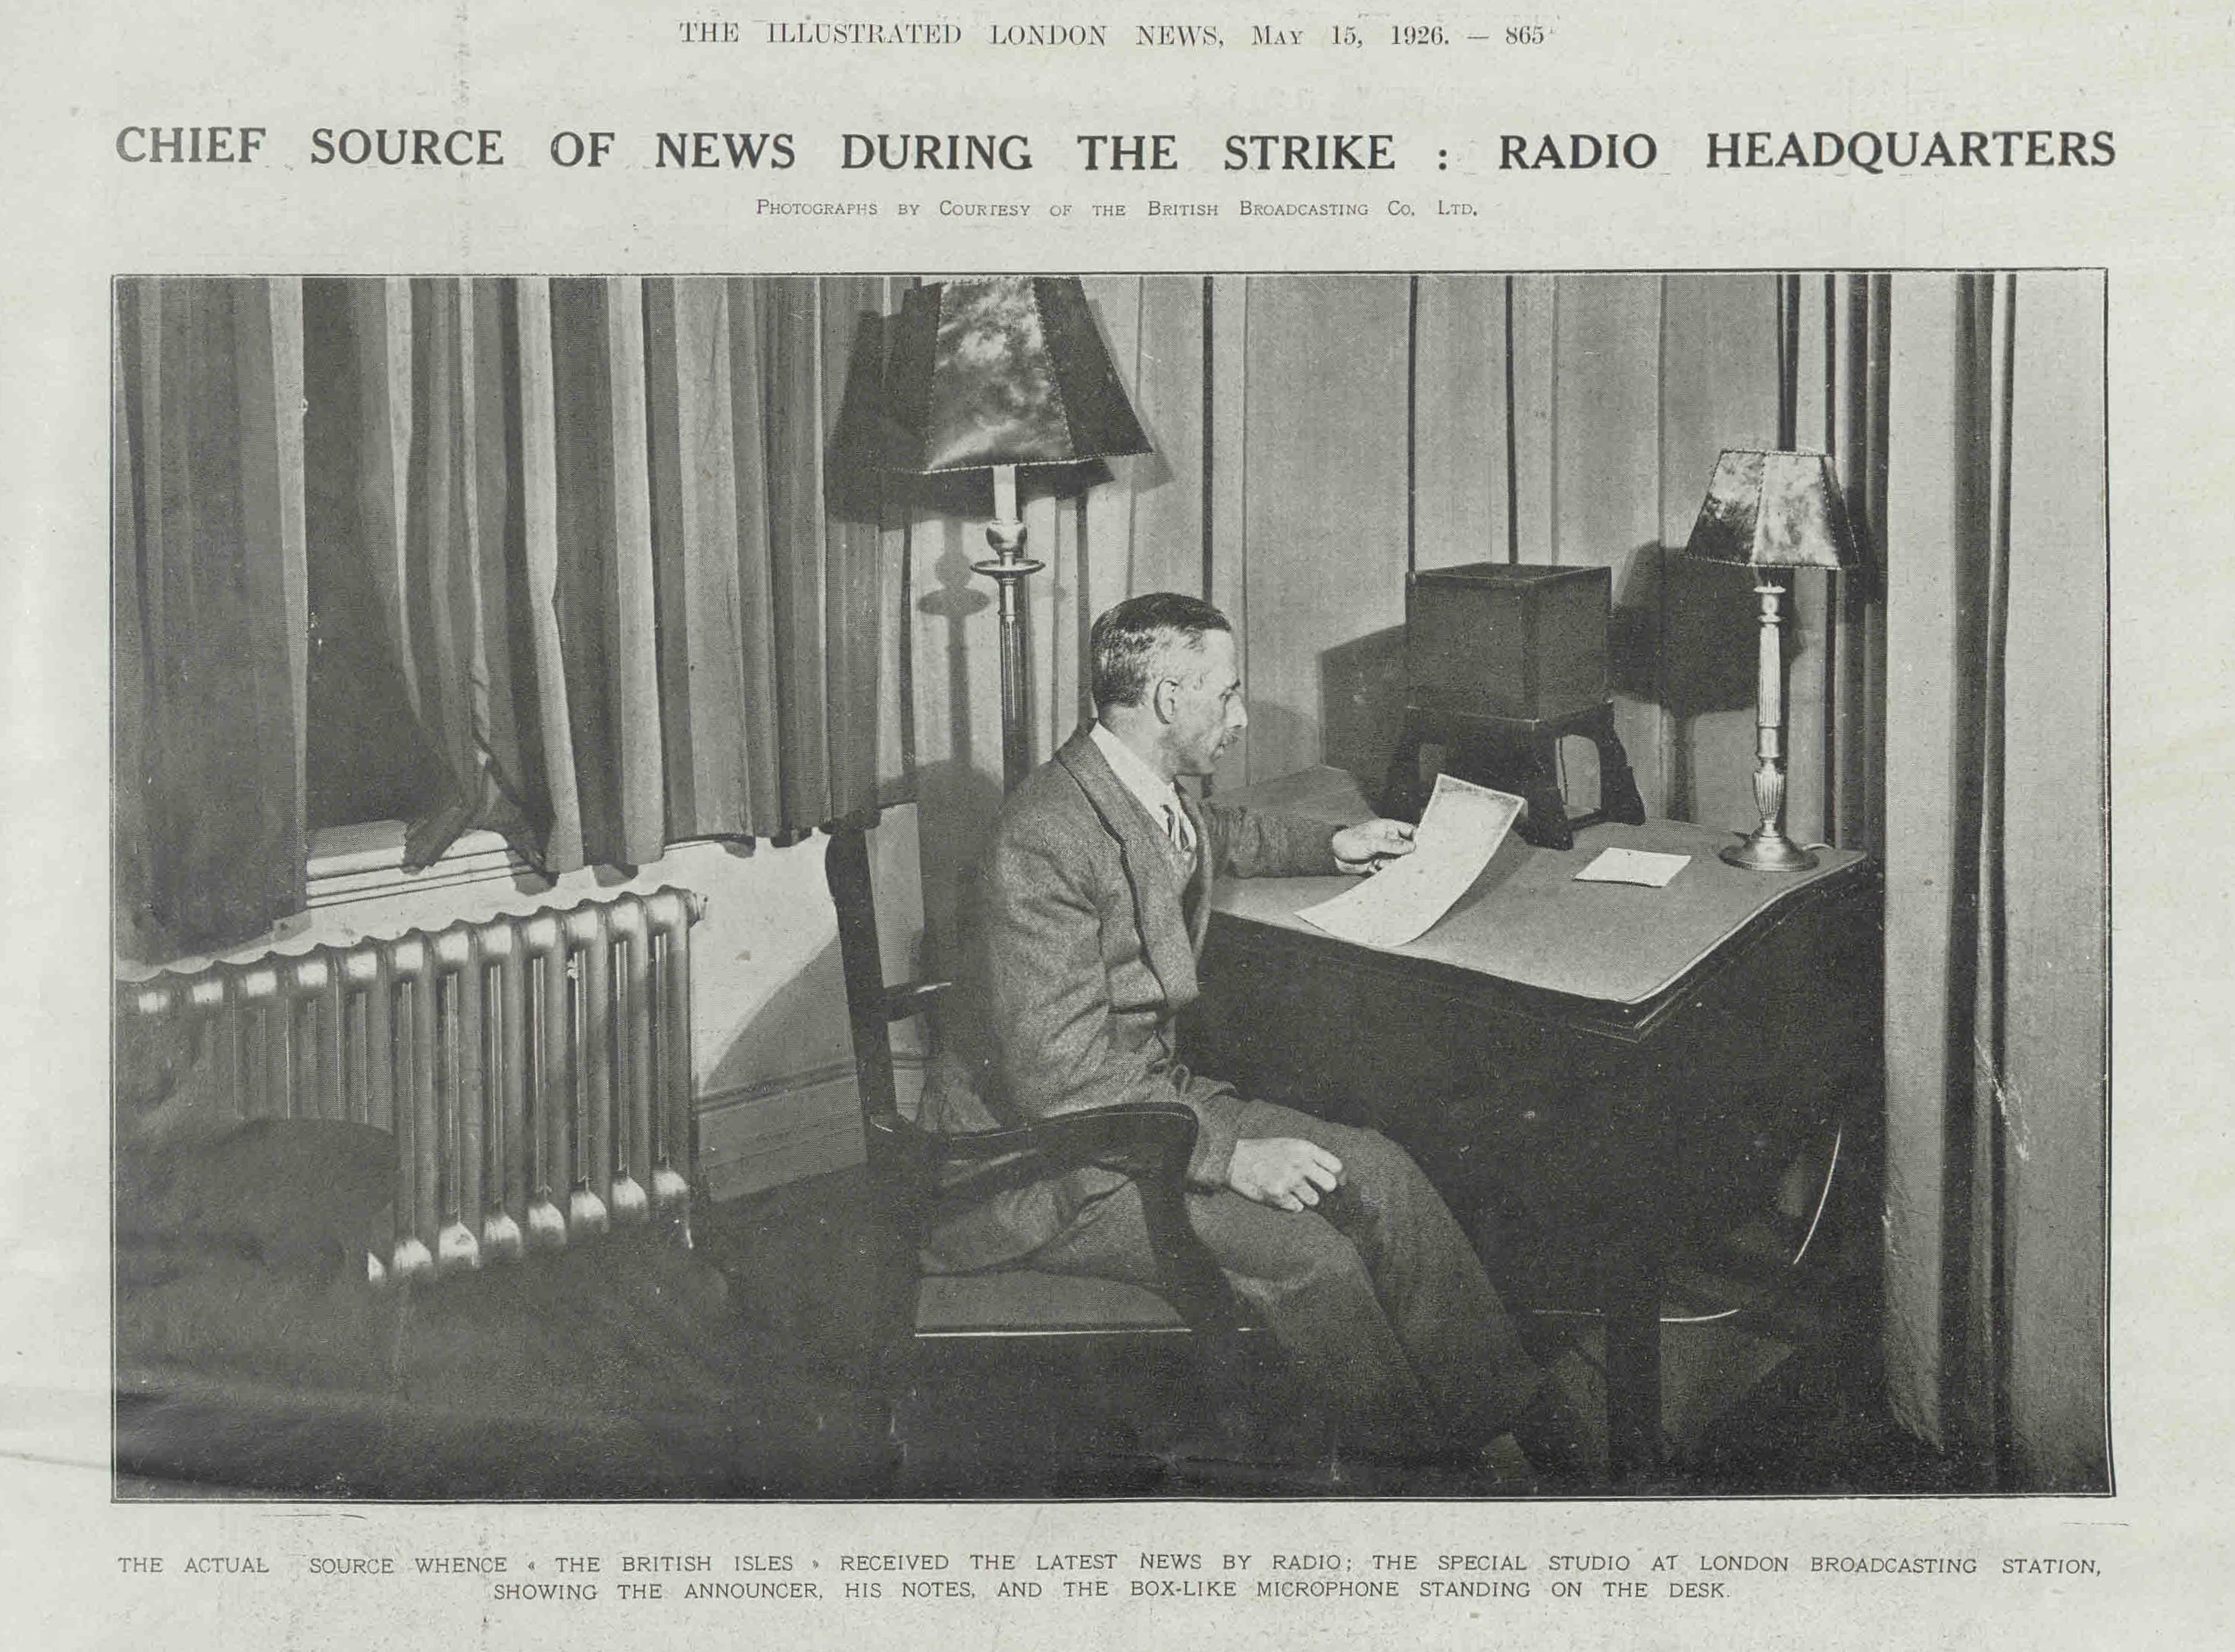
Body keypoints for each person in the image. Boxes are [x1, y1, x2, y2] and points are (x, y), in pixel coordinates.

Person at [920, 591, 1577, 1481]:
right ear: (1165, 698)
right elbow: (1057, 1081)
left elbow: (1214, 833)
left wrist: (1334, 841)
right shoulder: (1041, 840)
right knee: (1315, 1259)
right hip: (1047, 1165)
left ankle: (1514, 1423)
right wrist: (1231, 1155)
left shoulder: (1132, 785)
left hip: (1143, 1114)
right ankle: (1417, 1489)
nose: (1236, 718)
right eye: (1225, 696)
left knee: (1383, 1168)